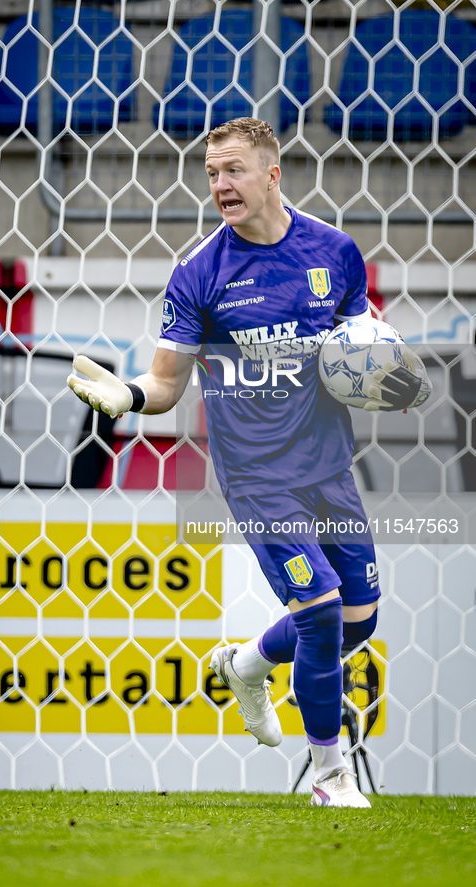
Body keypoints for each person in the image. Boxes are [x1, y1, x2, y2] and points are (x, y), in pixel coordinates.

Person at [67, 118, 431, 807]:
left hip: (328, 467)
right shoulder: (200, 271)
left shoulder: (334, 251)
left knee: (360, 620)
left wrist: (391, 378)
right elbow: (169, 381)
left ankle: (245, 662)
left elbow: (359, 344)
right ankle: (329, 777)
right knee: (320, 611)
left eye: (232, 170)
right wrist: (130, 394)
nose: (219, 185)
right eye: (210, 173)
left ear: (271, 173)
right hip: (256, 475)